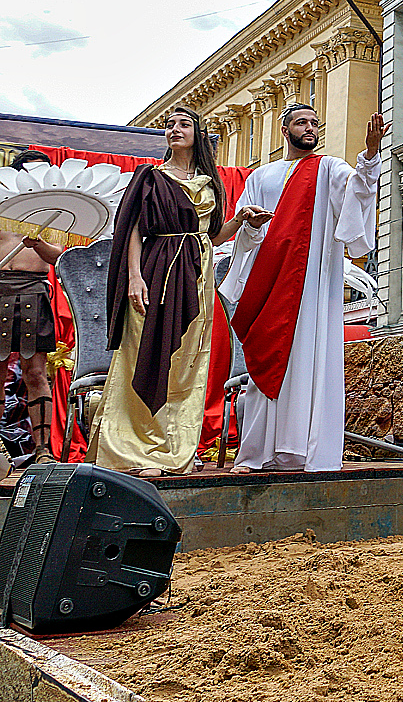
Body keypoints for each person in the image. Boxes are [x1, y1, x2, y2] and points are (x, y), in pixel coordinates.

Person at [89, 107, 258, 477]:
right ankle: (132, 449)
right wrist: (134, 276)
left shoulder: (210, 182)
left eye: (183, 124)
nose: (174, 130)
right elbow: (132, 229)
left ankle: (171, 449)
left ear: (198, 133)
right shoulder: (151, 177)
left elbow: (210, 237)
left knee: (185, 363)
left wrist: (241, 220)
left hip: (196, 278)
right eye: (169, 125)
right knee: (144, 355)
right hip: (156, 271)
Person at [219, 103, 384, 474]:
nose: (310, 128)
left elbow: (358, 193)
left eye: (314, 123)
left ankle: (305, 451)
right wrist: (251, 224)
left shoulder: (329, 168)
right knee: (266, 355)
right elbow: (244, 228)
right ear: (285, 129)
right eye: (301, 122)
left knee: (311, 357)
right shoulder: (262, 176)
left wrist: (371, 155)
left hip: (314, 280)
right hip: (270, 278)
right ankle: (257, 453)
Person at [0, 150, 64, 465]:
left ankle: (42, 451)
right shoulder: (1, 203)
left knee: (36, 372)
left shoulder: (52, 211)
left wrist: (37, 241)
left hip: (33, 291)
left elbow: (57, 256)